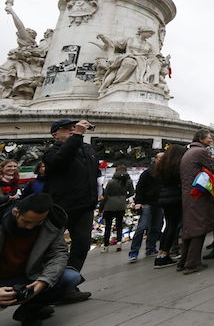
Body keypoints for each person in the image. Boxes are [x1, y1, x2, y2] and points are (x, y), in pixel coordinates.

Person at [0, 193, 84, 325]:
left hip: (29, 277)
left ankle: (29, 311)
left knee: (71, 277)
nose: (30, 227)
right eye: (26, 221)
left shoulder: (52, 224)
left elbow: (59, 254)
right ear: (16, 212)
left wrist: (43, 282)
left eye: (38, 222)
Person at [42, 119, 98, 303]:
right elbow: (60, 161)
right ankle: (45, 287)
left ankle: (67, 286)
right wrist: (77, 136)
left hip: (85, 206)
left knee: (81, 246)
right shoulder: (52, 152)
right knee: (52, 248)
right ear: (54, 135)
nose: (71, 131)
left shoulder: (87, 150)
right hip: (62, 207)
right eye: (66, 129)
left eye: (73, 128)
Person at [179, 130, 214, 274]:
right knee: (198, 227)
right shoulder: (201, 152)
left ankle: (183, 261)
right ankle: (192, 263)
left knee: (189, 228)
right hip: (197, 194)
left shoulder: (189, 152)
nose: (210, 140)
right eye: (208, 138)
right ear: (201, 139)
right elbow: (212, 168)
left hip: (188, 194)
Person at [153, 145, 187, 269]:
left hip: (164, 198)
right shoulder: (177, 166)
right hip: (174, 198)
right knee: (173, 226)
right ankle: (164, 255)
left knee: (168, 226)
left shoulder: (162, 166)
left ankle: (161, 253)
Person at [129, 153, 165, 262]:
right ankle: (134, 251)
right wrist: (138, 202)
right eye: (161, 158)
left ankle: (151, 247)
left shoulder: (165, 172)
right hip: (147, 203)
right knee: (142, 226)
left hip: (159, 203)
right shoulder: (147, 173)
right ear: (155, 159)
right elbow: (140, 188)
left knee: (156, 226)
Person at [100, 166, 134, 253]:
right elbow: (132, 192)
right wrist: (123, 197)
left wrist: (101, 207)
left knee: (108, 226)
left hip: (109, 206)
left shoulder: (111, 182)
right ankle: (119, 243)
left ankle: (106, 246)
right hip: (121, 205)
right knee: (119, 225)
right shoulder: (128, 181)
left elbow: (106, 195)